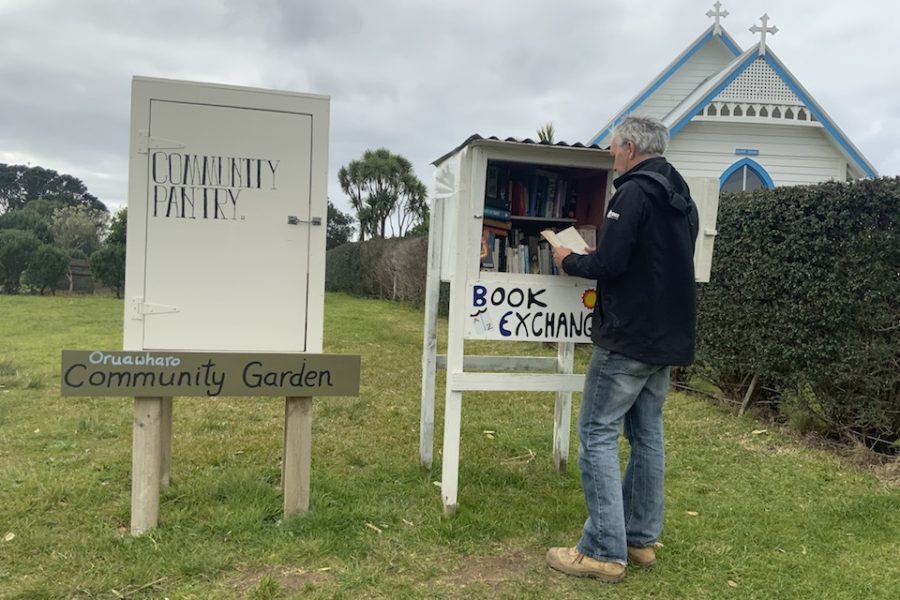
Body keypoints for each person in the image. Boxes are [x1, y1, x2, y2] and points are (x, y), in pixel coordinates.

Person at [545, 115, 699, 583]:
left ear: (631, 148)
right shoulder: (682, 196)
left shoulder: (631, 192)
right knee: (647, 435)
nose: (611, 156)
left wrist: (567, 258)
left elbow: (610, 262)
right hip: (667, 337)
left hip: (628, 336)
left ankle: (602, 550)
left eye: (613, 148)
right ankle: (640, 539)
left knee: (596, 433)